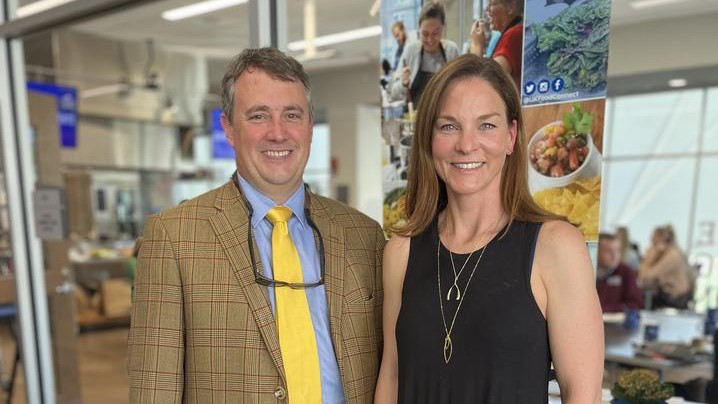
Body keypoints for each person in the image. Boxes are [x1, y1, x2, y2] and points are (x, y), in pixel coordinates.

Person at [128, 47, 385, 403]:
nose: (278, 133)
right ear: (229, 128)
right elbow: (154, 389)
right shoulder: (173, 237)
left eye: (292, 115)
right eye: (258, 116)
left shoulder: (364, 235)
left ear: (310, 126)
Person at [375, 54, 603, 403]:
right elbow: (391, 377)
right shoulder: (401, 252)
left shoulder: (555, 247)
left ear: (511, 136)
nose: (467, 144)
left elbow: (582, 393)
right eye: (449, 126)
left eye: (486, 125)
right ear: (429, 138)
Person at [389, 2, 460, 107]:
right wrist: (403, 84)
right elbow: (392, 93)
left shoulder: (452, 51)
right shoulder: (411, 52)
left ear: (443, 28)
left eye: (435, 33)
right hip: (415, 119)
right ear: (419, 30)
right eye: (425, 34)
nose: (430, 40)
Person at [468, 0, 524, 88]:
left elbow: (487, 82)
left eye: (491, 4)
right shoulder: (510, 33)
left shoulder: (514, 34)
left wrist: (478, 46)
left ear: (511, 7)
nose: (487, 10)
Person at [638, 225, 695, 310]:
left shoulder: (672, 256)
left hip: (675, 299)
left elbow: (647, 278)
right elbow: (644, 283)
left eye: (654, 243)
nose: (651, 246)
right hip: (669, 297)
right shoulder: (669, 253)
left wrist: (648, 260)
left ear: (662, 241)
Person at [596, 233, 644, 313]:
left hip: (616, 322)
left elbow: (636, 303)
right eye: (608, 251)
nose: (614, 256)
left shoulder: (625, 272)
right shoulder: (587, 272)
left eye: (617, 250)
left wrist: (607, 309)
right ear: (597, 252)